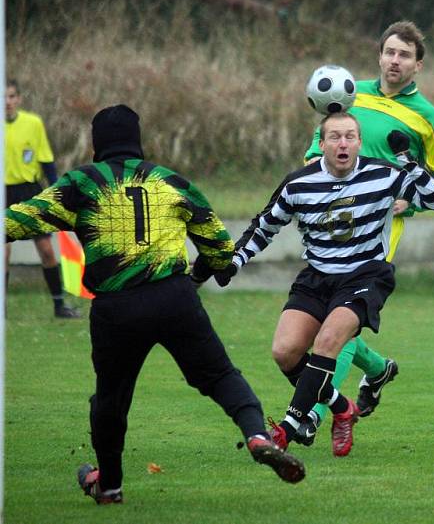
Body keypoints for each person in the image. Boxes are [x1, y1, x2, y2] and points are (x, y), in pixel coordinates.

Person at [5, 105, 305, 504]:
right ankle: (256, 435)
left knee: (111, 399)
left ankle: (109, 484)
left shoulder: (82, 183)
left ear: (98, 143)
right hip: (174, 298)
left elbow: (19, 221)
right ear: (137, 139)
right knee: (219, 375)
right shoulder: (169, 180)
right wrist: (204, 274)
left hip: (116, 308)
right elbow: (218, 246)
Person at [216, 111, 434, 457]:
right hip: (317, 276)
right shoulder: (299, 183)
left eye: (350, 137)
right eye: (335, 137)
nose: (343, 144)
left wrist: (410, 163)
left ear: (359, 142)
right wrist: (235, 260)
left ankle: (289, 428)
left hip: (365, 275)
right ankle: (342, 408)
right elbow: (265, 226)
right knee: (285, 351)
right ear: (321, 144)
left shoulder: (384, 175)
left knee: (328, 342)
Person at [298, 20, 434, 445]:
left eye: (404, 54)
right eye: (389, 51)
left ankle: (312, 413)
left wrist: (414, 201)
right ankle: (377, 368)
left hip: (380, 230)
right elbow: (319, 147)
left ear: (418, 65)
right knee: (328, 320)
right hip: (330, 223)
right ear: (379, 55)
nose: (394, 60)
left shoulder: (428, 118)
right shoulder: (349, 94)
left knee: (340, 324)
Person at [4, 79, 80, 318]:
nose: (7, 102)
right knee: (3, 254)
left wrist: (57, 192)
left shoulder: (33, 123)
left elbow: (46, 161)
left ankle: (59, 306)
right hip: (3, 192)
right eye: (3, 97)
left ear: (19, 99)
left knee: (46, 250)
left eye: (11, 96)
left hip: (29, 191)